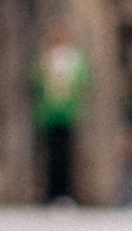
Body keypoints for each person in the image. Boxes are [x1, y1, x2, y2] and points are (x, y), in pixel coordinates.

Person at [30, 23, 92, 205]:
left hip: (67, 114)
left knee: (66, 156)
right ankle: (49, 194)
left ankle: (65, 193)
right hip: (48, 114)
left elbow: (84, 81)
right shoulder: (44, 58)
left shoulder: (75, 59)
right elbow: (35, 80)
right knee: (49, 157)